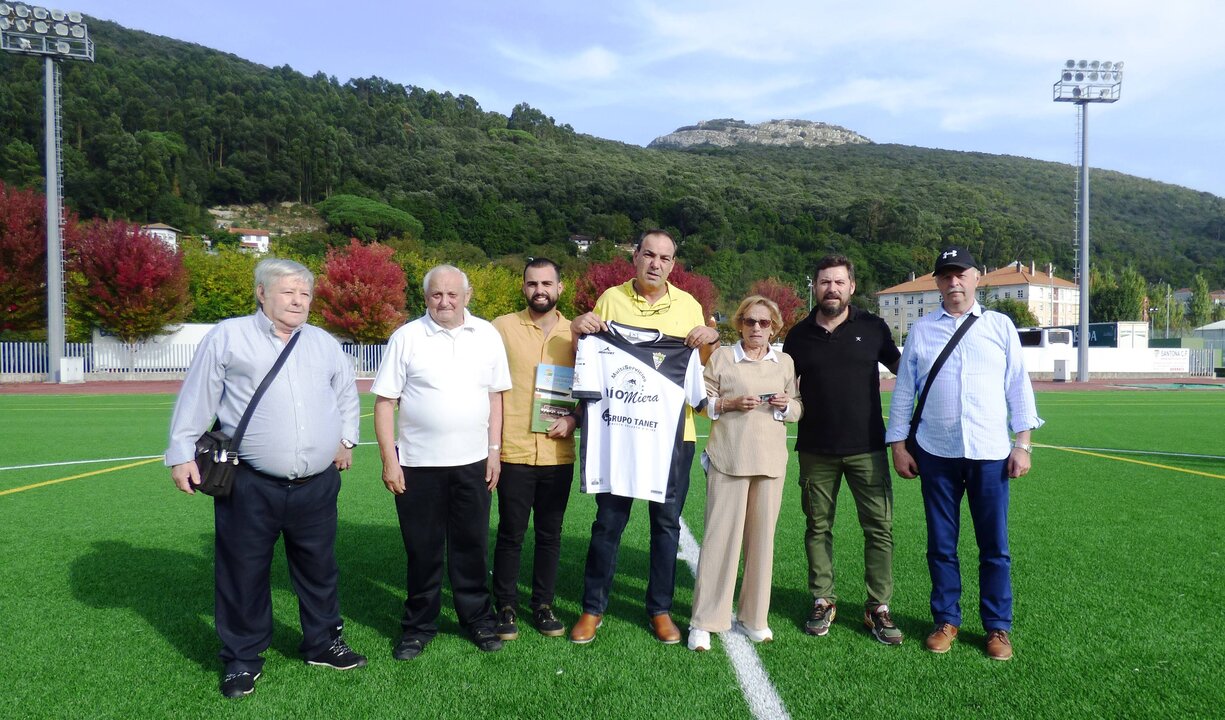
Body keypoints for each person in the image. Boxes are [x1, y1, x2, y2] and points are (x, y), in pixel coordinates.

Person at [166, 258, 365, 699]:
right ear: (261, 293)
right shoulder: (228, 336)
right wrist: (181, 454)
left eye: (305, 294)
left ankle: (322, 641)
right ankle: (242, 658)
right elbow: (198, 396)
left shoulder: (324, 343)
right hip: (250, 482)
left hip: (316, 483)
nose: (298, 301)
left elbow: (345, 393)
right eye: (288, 292)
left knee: (319, 569)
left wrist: (346, 439)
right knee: (243, 571)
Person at [886, 246, 1043, 661]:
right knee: (941, 544)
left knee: (995, 546)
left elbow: (1017, 386)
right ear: (936, 282)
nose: (953, 282)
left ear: (977, 277)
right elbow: (904, 393)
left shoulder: (1000, 326)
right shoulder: (920, 331)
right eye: (945, 275)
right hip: (936, 452)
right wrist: (899, 445)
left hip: (990, 452)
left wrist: (1022, 444)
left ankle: (997, 628)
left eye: (961, 274)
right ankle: (946, 620)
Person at [568, 229, 720, 645]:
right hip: (617, 433)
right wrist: (577, 326)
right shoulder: (610, 300)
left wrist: (712, 337)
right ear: (635, 257)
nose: (656, 263)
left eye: (664, 258)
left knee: (666, 525)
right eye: (648, 255)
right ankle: (592, 608)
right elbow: (586, 351)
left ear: (673, 265)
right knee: (608, 524)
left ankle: (660, 609)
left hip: (673, 436)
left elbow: (701, 372)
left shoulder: (689, 305)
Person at [372, 264, 512, 659]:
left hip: (472, 463)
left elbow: (495, 397)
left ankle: (478, 619)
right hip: (417, 465)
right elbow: (385, 403)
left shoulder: (487, 335)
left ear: (467, 296)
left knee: (471, 546)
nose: (445, 301)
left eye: (453, 294)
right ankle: (418, 625)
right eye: (437, 294)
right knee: (423, 549)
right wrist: (390, 460)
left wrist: (494, 452)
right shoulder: (406, 337)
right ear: (426, 297)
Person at [781, 255, 903, 645]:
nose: (830, 288)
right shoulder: (797, 336)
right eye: (823, 282)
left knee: (879, 529)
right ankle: (822, 599)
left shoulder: (874, 328)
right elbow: (782, 386)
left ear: (851, 286)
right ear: (814, 287)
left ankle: (877, 607)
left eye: (838, 282)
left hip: (868, 447)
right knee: (818, 527)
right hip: (815, 449)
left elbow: (908, 374)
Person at [687, 296, 801, 652]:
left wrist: (787, 406)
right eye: (750, 322)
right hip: (728, 460)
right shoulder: (722, 358)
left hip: (770, 464)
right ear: (739, 324)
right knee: (720, 541)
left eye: (764, 323)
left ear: (775, 327)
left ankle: (754, 618)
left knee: (761, 544)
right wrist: (729, 403)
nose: (756, 329)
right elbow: (700, 402)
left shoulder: (784, 362)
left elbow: (797, 407)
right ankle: (705, 621)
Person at [489, 258, 578, 640]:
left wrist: (574, 419)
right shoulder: (500, 328)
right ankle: (505, 605)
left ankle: (542, 604)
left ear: (560, 288)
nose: (539, 290)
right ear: (523, 288)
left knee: (550, 533)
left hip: (558, 454)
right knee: (511, 533)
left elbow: (593, 389)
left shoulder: (577, 333)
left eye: (547, 283)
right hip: (514, 450)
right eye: (531, 284)